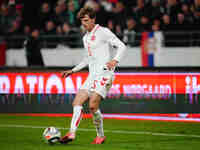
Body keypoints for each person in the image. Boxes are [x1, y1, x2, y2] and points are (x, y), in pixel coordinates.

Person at [60, 6, 126, 144]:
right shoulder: (86, 38)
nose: (83, 24)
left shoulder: (103, 32)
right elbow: (88, 59)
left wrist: (115, 60)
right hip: (92, 76)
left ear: (93, 19)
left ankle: (100, 135)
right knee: (77, 102)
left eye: (86, 20)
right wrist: (73, 70)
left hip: (105, 74)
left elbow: (122, 46)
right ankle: (71, 133)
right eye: (82, 21)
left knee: (92, 106)